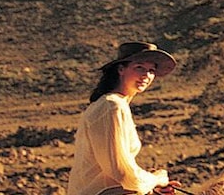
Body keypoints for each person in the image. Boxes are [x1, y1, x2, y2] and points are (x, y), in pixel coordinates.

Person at [69, 42, 186, 195]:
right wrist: (156, 179)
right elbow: (121, 172)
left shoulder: (110, 104)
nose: (146, 75)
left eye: (151, 70)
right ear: (121, 69)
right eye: (139, 68)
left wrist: (149, 182)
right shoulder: (112, 106)